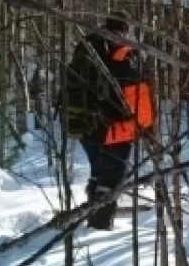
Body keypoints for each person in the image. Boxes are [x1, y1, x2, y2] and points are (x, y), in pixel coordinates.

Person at [60, 12, 155, 230]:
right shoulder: (120, 53)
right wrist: (144, 126)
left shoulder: (88, 47)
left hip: (85, 124)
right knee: (111, 179)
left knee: (98, 173)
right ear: (124, 29)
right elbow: (135, 94)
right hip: (113, 128)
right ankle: (100, 228)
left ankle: (93, 216)